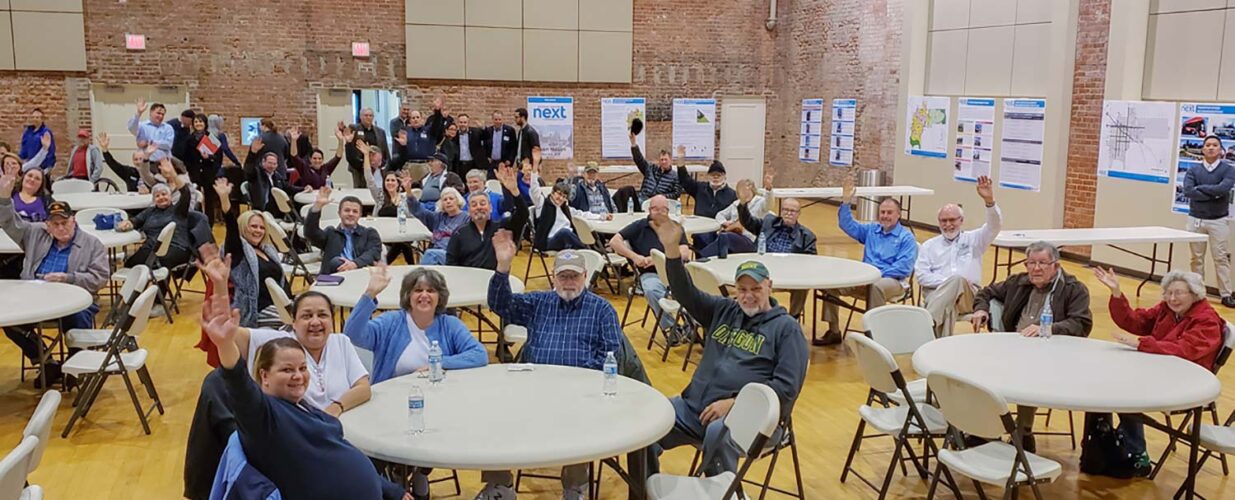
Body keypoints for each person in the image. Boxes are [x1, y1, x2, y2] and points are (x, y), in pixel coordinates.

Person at [199, 288, 411, 500]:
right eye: (287, 370)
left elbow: (339, 451)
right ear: (264, 376)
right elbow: (238, 383)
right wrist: (225, 342)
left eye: (302, 368)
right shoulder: (263, 416)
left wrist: (392, 490)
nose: (298, 376)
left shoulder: (304, 407)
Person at [649, 215, 809, 477]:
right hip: (694, 409)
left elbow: (786, 388)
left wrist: (736, 403)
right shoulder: (724, 310)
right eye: (742, 288)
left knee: (718, 432)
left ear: (769, 286)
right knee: (649, 426)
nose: (748, 295)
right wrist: (672, 252)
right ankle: (643, 491)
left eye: (755, 288)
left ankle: (721, 492)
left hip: (752, 420)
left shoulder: (786, 329)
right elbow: (684, 292)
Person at [484, 238, 622, 500]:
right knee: (495, 414)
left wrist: (574, 379)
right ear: (553, 278)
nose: (568, 281)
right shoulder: (539, 303)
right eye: (563, 276)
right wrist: (503, 268)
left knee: (582, 423)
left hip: (580, 393)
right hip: (533, 388)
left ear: (585, 276)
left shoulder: (602, 310)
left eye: (574, 276)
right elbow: (500, 305)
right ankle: (500, 486)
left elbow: (610, 358)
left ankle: (575, 489)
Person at [343, 264, 487, 499]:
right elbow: (353, 334)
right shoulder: (392, 322)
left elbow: (478, 355)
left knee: (444, 430)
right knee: (368, 460)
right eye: (417, 290)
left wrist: (441, 363)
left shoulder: (449, 325)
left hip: (435, 407)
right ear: (408, 296)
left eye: (430, 290)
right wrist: (370, 294)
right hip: (387, 407)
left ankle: (420, 470)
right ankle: (393, 485)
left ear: (439, 296)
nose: (424, 295)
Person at [1089, 267, 1224, 476]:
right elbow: (1135, 321)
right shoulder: (1166, 310)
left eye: (1178, 293)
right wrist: (1116, 292)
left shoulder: (1206, 320)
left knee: (1125, 390)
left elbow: (1185, 350)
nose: (1172, 298)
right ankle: (1111, 441)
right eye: (1168, 293)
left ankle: (1135, 452)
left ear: (1195, 294)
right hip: (1159, 369)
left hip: (1187, 380)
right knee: (1107, 380)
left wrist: (1143, 343)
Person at [200, 256, 371, 413]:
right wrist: (220, 285)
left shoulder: (340, 342)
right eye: (306, 316)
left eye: (322, 315)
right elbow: (227, 333)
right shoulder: (279, 344)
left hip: (342, 427)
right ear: (293, 323)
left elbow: (363, 388)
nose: (315, 322)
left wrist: (336, 408)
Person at [972, 241, 1092, 452]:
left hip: (1052, 354)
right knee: (976, 368)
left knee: (1026, 374)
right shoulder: (1018, 282)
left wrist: (1049, 328)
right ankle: (983, 429)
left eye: (1043, 263)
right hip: (1013, 347)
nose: (1036, 269)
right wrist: (981, 310)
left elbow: (1081, 323)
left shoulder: (1074, 289)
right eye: (1031, 263)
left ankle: (1023, 433)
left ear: (1056, 265)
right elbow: (986, 292)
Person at [0, 183, 108, 386]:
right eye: (55, 224)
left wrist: (68, 278)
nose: (60, 228)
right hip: (35, 298)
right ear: (47, 225)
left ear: (74, 221)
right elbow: (8, 222)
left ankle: (76, 365)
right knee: (11, 322)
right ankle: (46, 362)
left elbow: (100, 277)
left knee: (79, 316)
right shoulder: (33, 234)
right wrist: (5, 199)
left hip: (74, 299)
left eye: (65, 222)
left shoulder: (92, 244)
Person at [825, 173, 918, 344]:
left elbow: (903, 268)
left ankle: (875, 335)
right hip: (865, 278)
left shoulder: (906, 238)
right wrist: (846, 202)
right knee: (829, 284)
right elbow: (848, 225)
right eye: (882, 212)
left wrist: (872, 275)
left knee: (875, 286)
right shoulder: (871, 230)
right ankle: (834, 330)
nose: (885, 216)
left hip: (892, 281)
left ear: (898, 215)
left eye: (889, 212)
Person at [915, 175, 1001, 336]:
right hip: (937, 295)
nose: (948, 225)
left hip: (969, 296)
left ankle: (924, 327)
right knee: (949, 305)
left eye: (952, 220)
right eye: (943, 221)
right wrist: (952, 284)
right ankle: (939, 349)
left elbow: (994, 226)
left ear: (961, 220)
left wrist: (989, 201)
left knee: (956, 284)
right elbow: (922, 277)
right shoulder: (929, 246)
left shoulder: (975, 239)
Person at [609, 195, 692, 334]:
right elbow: (614, 241)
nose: (659, 213)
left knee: (695, 290)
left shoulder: (675, 227)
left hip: (675, 272)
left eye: (663, 210)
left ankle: (692, 327)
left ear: (668, 211)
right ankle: (671, 328)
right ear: (649, 210)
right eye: (655, 209)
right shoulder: (639, 226)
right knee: (652, 291)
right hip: (650, 273)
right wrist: (634, 257)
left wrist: (657, 259)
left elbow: (684, 253)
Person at [214, 178, 287, 328]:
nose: (258, 231)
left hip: (278, 305)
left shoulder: (268, 250)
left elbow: (282, 281)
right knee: (298, 323)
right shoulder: (238, 251)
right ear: (243, 227)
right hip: (255, 310)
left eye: (261, 227)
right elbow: (232, 228)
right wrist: (224, 199)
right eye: (253, 226)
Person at [736, 195, 818, 319]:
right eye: (785, 210)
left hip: (790, 274)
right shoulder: (769, 222)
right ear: (781, 211)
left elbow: (811, 262)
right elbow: (748, 222)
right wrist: (743, 205)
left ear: (798, 214)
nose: (788, 213)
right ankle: (756, 314)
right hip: (763, 271)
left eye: (792, 211)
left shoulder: (807, 236)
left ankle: (792, 319)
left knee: (802, 286)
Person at [1183, 134, 1235, 308]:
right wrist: (1214, 193)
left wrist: (1202, 189)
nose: (1211, 148)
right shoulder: (1193, 170)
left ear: (1221, 150)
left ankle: (1226, 294)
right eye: (1208, 145)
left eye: (1215, 145)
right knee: (1196, 258)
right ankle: (1198, 294)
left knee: (1220, 258)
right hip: (1195, 219)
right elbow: (1189, 191)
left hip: (1218, 221)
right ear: (1203, 149)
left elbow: (1224, 188)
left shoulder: (1228, 169)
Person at [446, 163, 528, 269]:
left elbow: (523, 214)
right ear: (469, 210)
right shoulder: (459, 233)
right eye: (474, 205)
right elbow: (451, 263)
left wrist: (514, 191)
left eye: (483, 203)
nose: (479, 207)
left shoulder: (502, 228)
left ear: (490, 207)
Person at [117, 164, 195, 273]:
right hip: (151, 248)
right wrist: (128, 223)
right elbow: (136, 221)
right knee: (130, 264)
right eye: (157, 196)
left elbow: (186, 193)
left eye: (164, 194)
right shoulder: (150, 211)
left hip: (176, 247)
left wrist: (173, 175)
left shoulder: (178, 209)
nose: (161, 197)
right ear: (154, 199)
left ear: (170, 197)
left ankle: (159, 289)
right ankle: (142, 290)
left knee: (158, 265)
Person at [305, 190, 382, 275]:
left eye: (355, 211)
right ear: (339, 213)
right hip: (332, 278)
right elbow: (310, 233)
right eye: (347, 210)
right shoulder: (331, 233)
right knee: (335, 262)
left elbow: (373, 252)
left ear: (360, 215)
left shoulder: (369, 233)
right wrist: (317, 207)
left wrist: (354, 264)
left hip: (359, 275)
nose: (351, 214)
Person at [675, 146, 735, 246]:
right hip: (701, 229)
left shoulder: (732, 194)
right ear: (708, 176)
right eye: (712, 175)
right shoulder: (700, 188)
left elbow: (735, 216)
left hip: (720, 231)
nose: (715, 177)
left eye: (719, 175)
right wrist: (681, 159)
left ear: (725, 177)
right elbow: (684, 180)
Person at [532, 180, 611, 252]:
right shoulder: (543, 205)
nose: (560, 198)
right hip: (549, 241)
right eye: (559, 194)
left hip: (568, 240)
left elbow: (582, 214)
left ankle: (595, 251)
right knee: (565, 232)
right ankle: (589, 251)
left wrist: (601, 217)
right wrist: (534, 170)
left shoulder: (565, 208)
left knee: (588, 231)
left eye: (564, 197)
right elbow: (534, 190)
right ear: (553, 192)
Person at [702, 178, 768, 258]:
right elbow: (720, 214)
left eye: (745, 188)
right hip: (732, 232)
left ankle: (702, 257)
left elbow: (769, 204)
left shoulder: (760, 202)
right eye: (740, 189)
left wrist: (769, 190)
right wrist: (725, 222)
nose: (742, 191)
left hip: (749, 239)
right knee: (705, 234)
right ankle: (703, 259)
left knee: (726, 237)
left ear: (751, 188)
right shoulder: (736, 203)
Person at [630, 132, 681, 204]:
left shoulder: (676, 176)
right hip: (643, 198)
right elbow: (639, 160)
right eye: (661, 160)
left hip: (659, 202)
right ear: (659, 161)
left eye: (666, 159)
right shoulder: (651, 168)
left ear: (671, 161)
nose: (663, 162)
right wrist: (634, 144)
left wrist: (660, 197)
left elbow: (676, 194)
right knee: (627, 191)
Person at [290, 126, 345, 191]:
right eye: (314, 158)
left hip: (323, 196)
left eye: (319, 158)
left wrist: (341, 141)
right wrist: (293, 140)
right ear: (310, 159)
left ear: (322, 160)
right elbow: (294, 156)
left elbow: (338, 157)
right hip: (308, 198)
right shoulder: (304, 168)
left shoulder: (326, 168)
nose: (317, 160)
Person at [244, 147, 294, 217]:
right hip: (263, 209)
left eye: (274, 164)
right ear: (263, 162)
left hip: (278, 208)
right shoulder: (256, 173)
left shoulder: (276, 175)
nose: (272, 166)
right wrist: (252, 153)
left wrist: (304, 189)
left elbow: (287, 187)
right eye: (270, 163)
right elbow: (248, 168)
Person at [127, 98, 176, 163]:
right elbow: (131, 128)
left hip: (164, 163)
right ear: (151, 112)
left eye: (162, 114)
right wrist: (139, 113)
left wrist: (149, 142)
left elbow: (168, 145)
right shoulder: (142, 126)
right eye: (158, 113)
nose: (160, 116)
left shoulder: (168, 128)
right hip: (146, 162)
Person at [399, 108, 436, 183]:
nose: (415, 119)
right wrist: (403, 145)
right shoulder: (406, 132)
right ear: (410, 120)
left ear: (422, 119)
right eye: (413, 118)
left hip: (425, 165)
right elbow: (401, 153)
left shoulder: (428, 131)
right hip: (411, 165)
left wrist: (438, 111)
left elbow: (437, 125)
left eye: (417, 117)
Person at [481, 111, 517, 177]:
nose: (498, 121)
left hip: (504, 163)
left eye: (499, 119)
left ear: (502, 119)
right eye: (496, 119)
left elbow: (513, 147)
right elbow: (484, 146)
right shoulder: (488, 131)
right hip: (492, 163)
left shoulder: (510, 130)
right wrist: (486, 158)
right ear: (492, 120)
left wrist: (510, 160)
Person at [454, 113, 486, 178]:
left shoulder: (476, 132)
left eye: (465, 122)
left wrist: (482, 128)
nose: (463, 124)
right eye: (461, 122)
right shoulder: (454, 134)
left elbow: (486, 137)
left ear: (468, 123)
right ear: (457, 123)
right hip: (459, 165)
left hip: (473, 164)